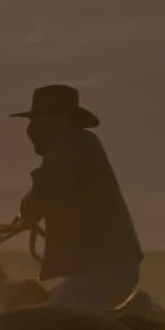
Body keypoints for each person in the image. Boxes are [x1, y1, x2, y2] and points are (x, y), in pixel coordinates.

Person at [13, 84, 141, 311]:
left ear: (54, 121)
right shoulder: (78, 144)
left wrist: (26, 213)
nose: (30, 130)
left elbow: (46, 192)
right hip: (107, 268)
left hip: (105, 270)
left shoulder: (69, 146)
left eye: (35, 121)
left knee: (54, 318)